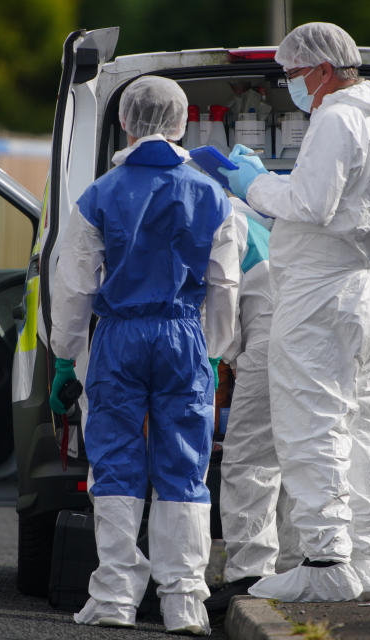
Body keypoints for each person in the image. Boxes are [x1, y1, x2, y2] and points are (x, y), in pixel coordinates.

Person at [219, 22, 370, 602]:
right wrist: (273, 181)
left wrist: (250, 185)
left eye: (293, 74)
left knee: (312, 424)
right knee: (359, 424)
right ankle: (366, 559)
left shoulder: (334, 118)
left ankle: (327, 562)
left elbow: (308, 203)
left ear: (322, 71)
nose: (290, 86)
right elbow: (339, 201)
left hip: (323, 297)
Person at [47, 75, 239, 635]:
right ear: (182, 123)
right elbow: (224, 285)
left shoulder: (99, 194)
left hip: (119, 337)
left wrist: (65, 356)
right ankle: (183, 603)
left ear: (126, 122)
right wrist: (214, 353)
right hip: (184, 336)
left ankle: (114, 598)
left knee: (115, 463)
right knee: (185, 467)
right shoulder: (213, 195)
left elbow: (75, 287)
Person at [204, 198, 301, 614]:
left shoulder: (220, 218)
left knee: (250, 458)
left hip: (268, 342)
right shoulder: (261, 221)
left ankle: (250, 573)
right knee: (297, 457)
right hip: (305, 332)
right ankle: (294, 567)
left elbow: (222, 299)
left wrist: (215, 359)